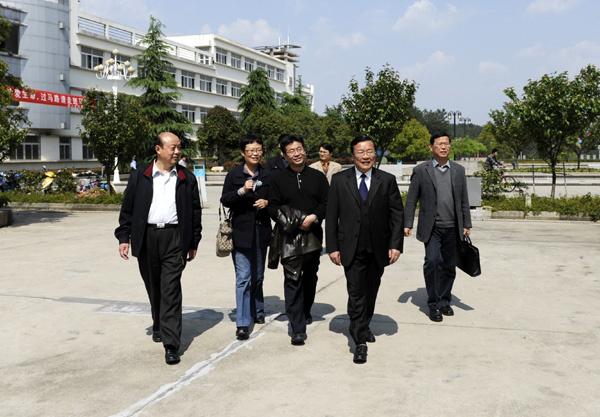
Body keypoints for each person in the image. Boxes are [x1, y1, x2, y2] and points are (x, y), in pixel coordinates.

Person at [115, 132, 202, 365]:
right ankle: (158, 323)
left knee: (171, 289)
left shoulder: (186, 177)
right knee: (154, 287)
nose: (177, 152)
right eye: (172, 148)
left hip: (175, 237)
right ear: (158, 149)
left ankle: (171, 344)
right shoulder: (141, 175)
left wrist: (193, 241)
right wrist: (124, 237)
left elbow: (195, 212)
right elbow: (127, 209)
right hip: (147, 237)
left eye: (179, 147)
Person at [326, 135, 404, 364]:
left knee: (370, 291)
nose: (366, 156)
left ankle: (363, 323)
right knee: (356, 293)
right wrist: (332, 247)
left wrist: (396, 245)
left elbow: (397, 215)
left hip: (378, 248)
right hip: (350, 247)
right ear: (353, 156)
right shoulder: (339, 180)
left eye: (370, 151)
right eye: (360, 152)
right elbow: (331, 216)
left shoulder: (386, 180)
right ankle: (359, 342)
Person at [404, 132, 472, 323]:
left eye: (446, 144)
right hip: (431, 227)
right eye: (439, 144)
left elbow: (464, 199)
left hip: (453, 227)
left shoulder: (458, 170)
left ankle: (444, 301)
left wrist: (466, 223)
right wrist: (407, 223)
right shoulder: (421, 170)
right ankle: (433, 303)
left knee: (449, 266)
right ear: (431, 147)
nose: (443, 147)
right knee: (433, 262)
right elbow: (411, 199)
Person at [268, 134, 329, 346]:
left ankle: (305, 311)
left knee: (310, 278)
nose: (297, 154)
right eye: (291, 151)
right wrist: (289, 221)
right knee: (292, 279)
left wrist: (313, 218)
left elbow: (326, 203)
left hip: (313, 236)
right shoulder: (277, 179)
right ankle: (297, 328)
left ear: (305, 150)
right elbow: (272, 206)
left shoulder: (318, 177)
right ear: (284, 155)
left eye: (299, 149)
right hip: (289, 237)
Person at [220, 134, 272, 340]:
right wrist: (241, 191)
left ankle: (257, 309)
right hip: (241, 232)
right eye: (251, 151)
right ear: (243, 153)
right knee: (243, 278)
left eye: (258, 150)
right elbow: (225, 199)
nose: (255, 154)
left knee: (258, 277)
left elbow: (278, 199)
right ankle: (242, 323)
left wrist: (268, 203)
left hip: (261, 230)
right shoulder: (234, 175)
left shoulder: (268, 175)